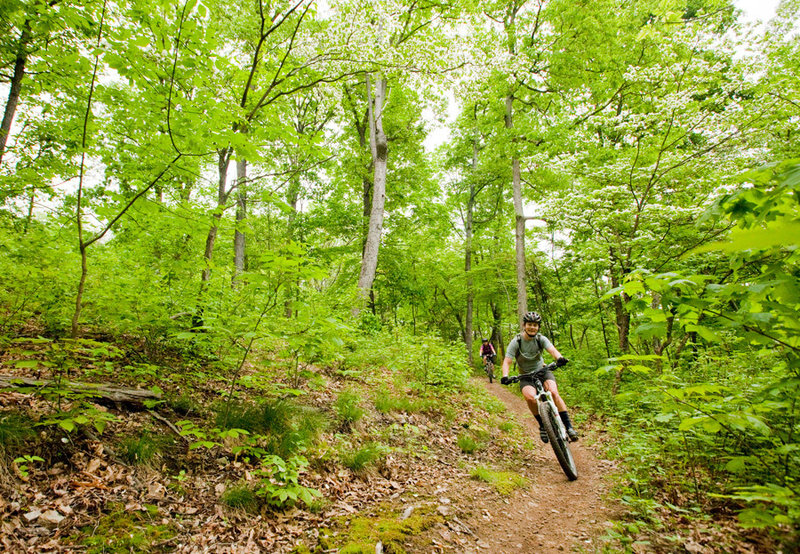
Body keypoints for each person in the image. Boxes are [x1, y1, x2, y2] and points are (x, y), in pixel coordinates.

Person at [500, 311, 578, 443]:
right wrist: (505, 376)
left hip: (542, 371)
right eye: (529, 324)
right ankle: (543, 425)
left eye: (535, 325)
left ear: (538, 327)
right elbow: (507, 361)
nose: (532, 327)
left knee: (553, 392)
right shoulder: (517, 341)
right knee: (530, 398)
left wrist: (559, 358)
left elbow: (552, 350)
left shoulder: (541, 339)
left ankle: (569, 427)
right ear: (524, 325)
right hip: (525, 376)